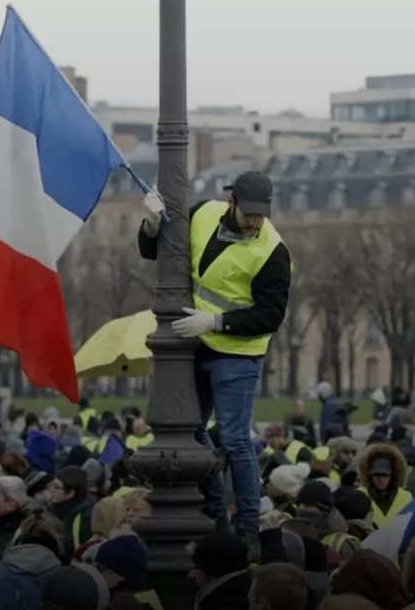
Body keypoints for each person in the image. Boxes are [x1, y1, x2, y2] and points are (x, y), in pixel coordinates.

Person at [137, 171, 291, 557]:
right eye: (250, 213)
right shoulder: (203, 214)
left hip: (237, 352)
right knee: (190, 429)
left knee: (236, 439)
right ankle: (215, 506)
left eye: (261, 215)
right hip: (197, 342)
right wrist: (152, 225)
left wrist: (216, 322)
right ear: (231, 202)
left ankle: (247, 525)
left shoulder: (273, 250)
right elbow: (159, 252)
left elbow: (271, 315)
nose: (256, 221)